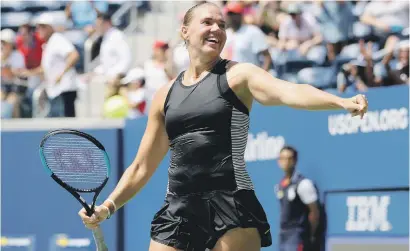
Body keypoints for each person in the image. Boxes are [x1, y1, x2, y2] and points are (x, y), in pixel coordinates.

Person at [79, 2, 368, 251]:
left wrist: (339, 102)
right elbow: (142, 166)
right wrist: (107, 206)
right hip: (178, 206)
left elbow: (288, 91)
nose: (217, 29)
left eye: (221, 24)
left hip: (230, 202)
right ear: (185, 32)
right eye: (207, 22)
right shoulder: (164, 95)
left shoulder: (238, 75)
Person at [23, 13, 80, 117]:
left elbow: (74, 55)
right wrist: (26, 73)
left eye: (43, 26)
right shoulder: (49, 43)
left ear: (50, 27)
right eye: (38, 27)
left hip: (64, 91)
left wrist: (61, 74)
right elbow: (44, 68)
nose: (39, 29)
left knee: (66, 128)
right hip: (55, 91)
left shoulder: (57, 39)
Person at [275, 146, 321, 251]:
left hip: (297, 236)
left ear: (295, 161)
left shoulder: (304, 184)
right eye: (282, 158)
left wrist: (310, 235)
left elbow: (314, 212)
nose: (285, 162)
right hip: (283, 236)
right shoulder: (279, 185)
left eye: (289, 158)